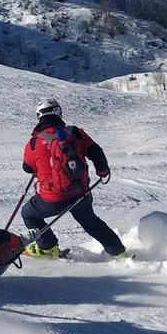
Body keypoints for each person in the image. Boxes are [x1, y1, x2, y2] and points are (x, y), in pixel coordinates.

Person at [18, 98, 127, 259]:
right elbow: (95, 151)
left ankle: (47, 247)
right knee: (91, 222)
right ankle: (119, 253)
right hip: (80, 194)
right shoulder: (75, 133)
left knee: (29, 214)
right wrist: (103, 172)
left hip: (51, 199)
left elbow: (27, 168)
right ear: (58, 113)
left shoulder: (33, 143)